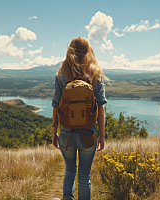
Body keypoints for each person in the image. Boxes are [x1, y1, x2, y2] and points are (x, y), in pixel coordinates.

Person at [52, 36, 108, 200]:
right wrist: (102, 136)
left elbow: (55, 105)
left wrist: (54, 132)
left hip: (66, 134)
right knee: (84, 177)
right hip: (88, 135)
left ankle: (67, 197)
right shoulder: (95, 73)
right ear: (88, 50)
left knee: (70, 170)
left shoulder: (61, 74)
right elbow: (101, 108)